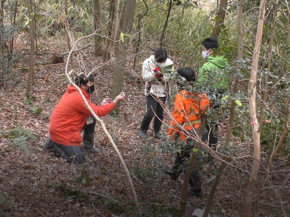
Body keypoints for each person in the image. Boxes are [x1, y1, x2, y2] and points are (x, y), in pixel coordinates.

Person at [43, 74, 125, 164]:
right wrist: (115, 102)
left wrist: (101, 105)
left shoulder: (76, 92)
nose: (92, 86)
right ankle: (55, 146)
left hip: (64, 128)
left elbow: (91, 111)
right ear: (82, 85)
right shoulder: (78, 97)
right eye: (90, 83)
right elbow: (98, 112)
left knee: (91, 118)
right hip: (63, 132)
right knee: (77, 160)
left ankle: (88, 147)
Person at [166, 67, 209, 196]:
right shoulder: (201, 93)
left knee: (188, 162)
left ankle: (197, 190)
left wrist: (171, 135)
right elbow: (205, 112)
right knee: (184, 154)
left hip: (190, 131)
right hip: (202, 129)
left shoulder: (181, 96)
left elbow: (177, 119)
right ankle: (174, 173)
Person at [197, 37, 228, 148]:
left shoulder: (207, 66)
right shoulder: (225, 65)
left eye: (204, 49)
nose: (203, 52)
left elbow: (200, 85)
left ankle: (197, 149)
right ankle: (212, 148)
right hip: (218, 98)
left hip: (206, 99)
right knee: (214, 125)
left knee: (201, 124)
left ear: (210, 51)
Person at [139, 48, 174, 139]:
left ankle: (157, 131)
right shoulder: (147, 62)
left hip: (163, 90)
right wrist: (154, 72)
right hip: (151, 89)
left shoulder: (169, 63)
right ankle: (143, 129)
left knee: (160, 113)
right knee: (151, 112)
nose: (162, 62)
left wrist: (162, 76)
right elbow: (145, 77)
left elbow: (170, 78)